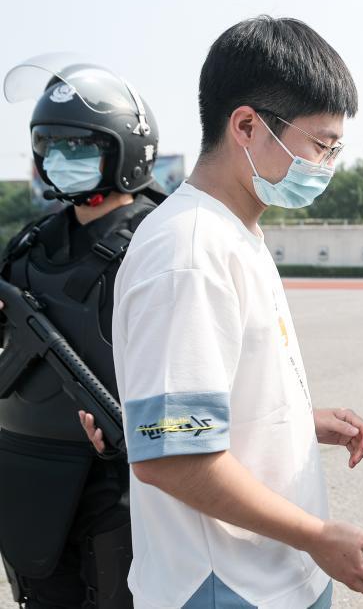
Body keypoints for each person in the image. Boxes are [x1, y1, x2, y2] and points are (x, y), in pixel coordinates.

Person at [82, 16, 363, 609]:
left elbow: (206, 401)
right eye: (320, 145)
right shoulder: (188, 252)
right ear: (247, 126)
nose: (327, 165)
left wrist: (295, 419)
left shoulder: (234, 233)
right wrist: (318, 538)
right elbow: (172, 457)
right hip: (225, 586)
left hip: (270, 576)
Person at [0, 56, 165, 608]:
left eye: (79, 146)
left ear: (123, 152)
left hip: (117, 486)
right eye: (51, 146)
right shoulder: (29, 248)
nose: (60, 159)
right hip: (28, 479)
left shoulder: (162, 241)